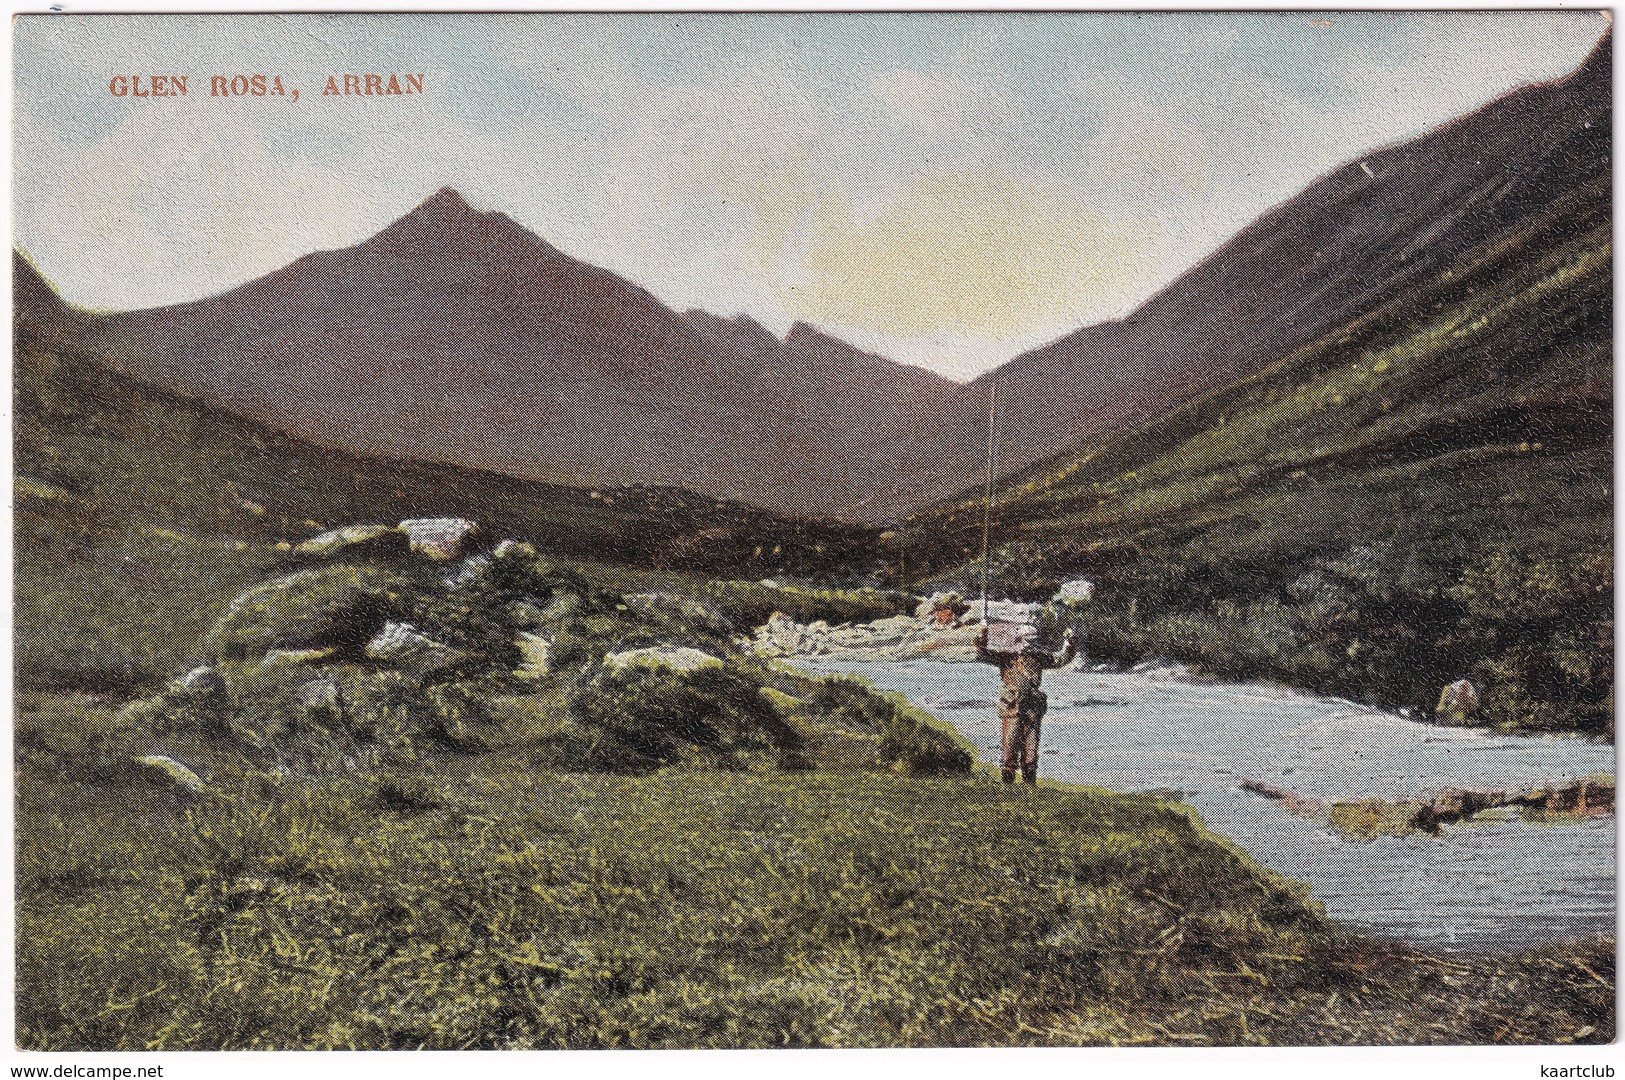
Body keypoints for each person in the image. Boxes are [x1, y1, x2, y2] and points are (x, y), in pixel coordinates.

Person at [976, 621, 1077, 784]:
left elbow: (1060, 661)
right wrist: (981, 642)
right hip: (1012, 706)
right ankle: (1007, 781)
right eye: (1027, 641)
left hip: (1032, 707)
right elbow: (984, 655)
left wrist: (1070, 648)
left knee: (1031, 747)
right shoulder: (1005, 657)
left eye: (1032, 642)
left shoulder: (1040, 658)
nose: (1028, 646)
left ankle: (1029, 782)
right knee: (1010, 746)